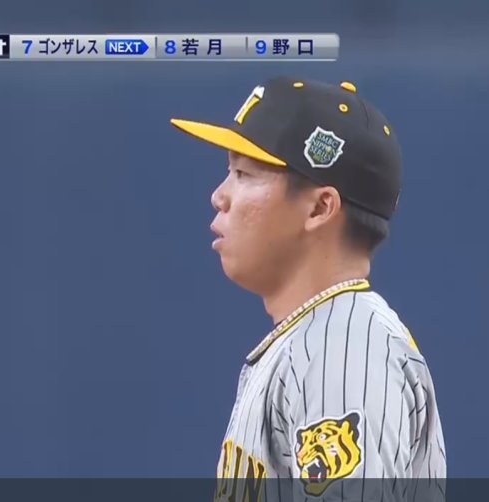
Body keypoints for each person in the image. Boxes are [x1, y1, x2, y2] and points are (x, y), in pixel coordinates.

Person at [170, 76, 446, 500]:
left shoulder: (343, 350)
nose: (220, 196)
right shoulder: (321, 338)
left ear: (320, 207)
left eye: (244, 173)